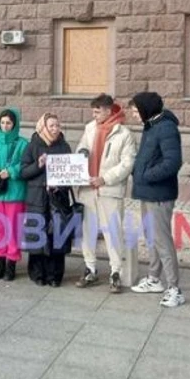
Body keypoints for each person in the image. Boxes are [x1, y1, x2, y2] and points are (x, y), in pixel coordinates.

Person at [127, 91, 185, 307]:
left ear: (145, 109)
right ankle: (154, 278)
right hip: (147, 192)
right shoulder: (151, 125)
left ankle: (174, 288)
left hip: (159, 194)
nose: (133, 114)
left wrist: (146, 175)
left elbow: (172, 162)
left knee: (162, 240)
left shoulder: (166, 128)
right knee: (151, 237)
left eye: (135, 110)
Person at [74, 94, 137, 293]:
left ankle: (115, 272)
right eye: (93, 111)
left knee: (113, 231)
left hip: (109, 189)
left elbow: (127, 164)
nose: (94, 115)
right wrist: (82, 153)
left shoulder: (124, 133)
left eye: (97, 111)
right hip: (88, 187)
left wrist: (105, 178)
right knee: (89, 230)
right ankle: (90, 268)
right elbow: (81, 147)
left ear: (109, 110)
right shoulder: (90, 128)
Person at [21, 112, 74, 287]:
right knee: (38, 235)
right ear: (42, 127)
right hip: (37, 198)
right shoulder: (32, 146)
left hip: (58, 199)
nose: (55, 129)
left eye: (57, 125)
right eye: (51, 126)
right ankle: (38, 274)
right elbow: (24, 172)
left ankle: (55, 275)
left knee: (56, 236)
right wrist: (38, 165)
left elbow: (71, 174)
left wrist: (60, 186)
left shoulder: (64, 147)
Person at [0, 107, 28, 281]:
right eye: (2, 122)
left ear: (14, 124)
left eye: (8, 123)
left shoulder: (23, 144)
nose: (5, 126)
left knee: (13, 228)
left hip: (15, 192)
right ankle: (0, 261)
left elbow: (26, 165)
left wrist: (12, 171)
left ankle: (11, 264)